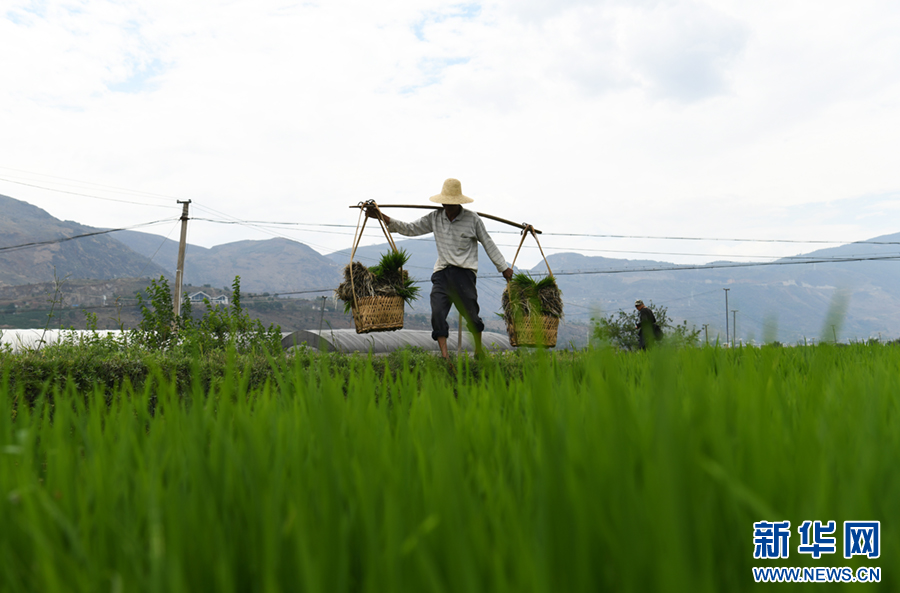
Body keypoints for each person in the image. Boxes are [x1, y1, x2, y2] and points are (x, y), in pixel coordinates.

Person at [366, 178, 514, 359]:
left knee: (472, 315)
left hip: (464, 273)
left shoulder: (472, 219)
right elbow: (410, 228)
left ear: (459, 202)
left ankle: (478, 350)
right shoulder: (435, 218)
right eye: (446, 203)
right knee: (437, 313)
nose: (448, 207)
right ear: (442, 201)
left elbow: (488, 243)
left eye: (452, 204)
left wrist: (503, 267)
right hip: (441, 273)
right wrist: (382, 216)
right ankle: (445, 356)